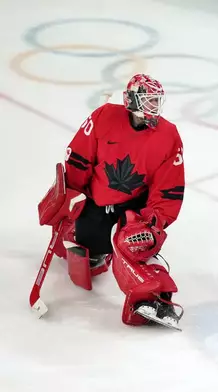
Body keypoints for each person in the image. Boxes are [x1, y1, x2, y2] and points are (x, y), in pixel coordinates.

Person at [38, 73, 185, 330]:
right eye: (148, 101)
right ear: (132, 101)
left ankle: (149, 301)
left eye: (156, 102)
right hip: (96, 202)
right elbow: (79, 159)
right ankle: (86, 245)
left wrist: (154, 221)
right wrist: (72, 194)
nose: (154, 108)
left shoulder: (168, 135)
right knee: (88, 254)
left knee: (134, 243)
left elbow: (169, 187)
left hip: (134, 208)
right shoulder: (104, 117)